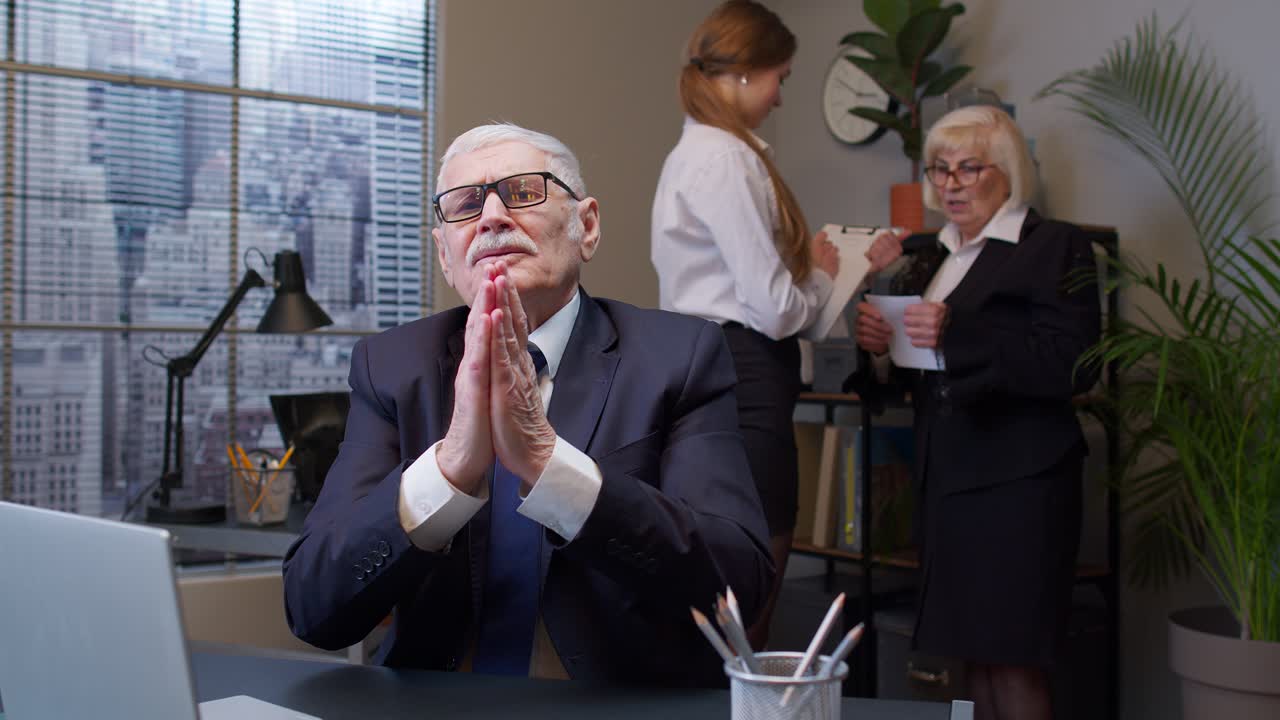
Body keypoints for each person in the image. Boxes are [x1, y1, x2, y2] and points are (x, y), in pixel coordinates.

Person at [283, 123, 774, 687]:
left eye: (522, 192)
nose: (491, 216)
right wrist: (448, 471)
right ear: (446, 256)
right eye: (466, 205)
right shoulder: (392, 367)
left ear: (586, 227)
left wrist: (548, 464)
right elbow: (312, 606)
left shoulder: (680, 357)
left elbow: (739, 587)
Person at [651, 0, 901, 649]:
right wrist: (816, 273)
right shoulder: (725, 160)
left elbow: (794, 319)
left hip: (724, 373)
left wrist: (835, 275)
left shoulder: (697, 155)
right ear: (744, 72)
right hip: (744, 381)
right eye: (780, 78)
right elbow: (775, 309)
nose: (780, 97)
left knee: (732, 602)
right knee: (750, 603)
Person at [853, 105, 1101, 720]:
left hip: (1020, 483)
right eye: (940, 170)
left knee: (1014, 662)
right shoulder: (931, 256)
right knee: (971, 665)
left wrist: (955, 331)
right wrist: (881, 351)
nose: (950, 183)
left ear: (1007, 172)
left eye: (969, 168)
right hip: (948, 482)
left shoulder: (1054, 245)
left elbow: (1074, 363)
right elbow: (915, 371)